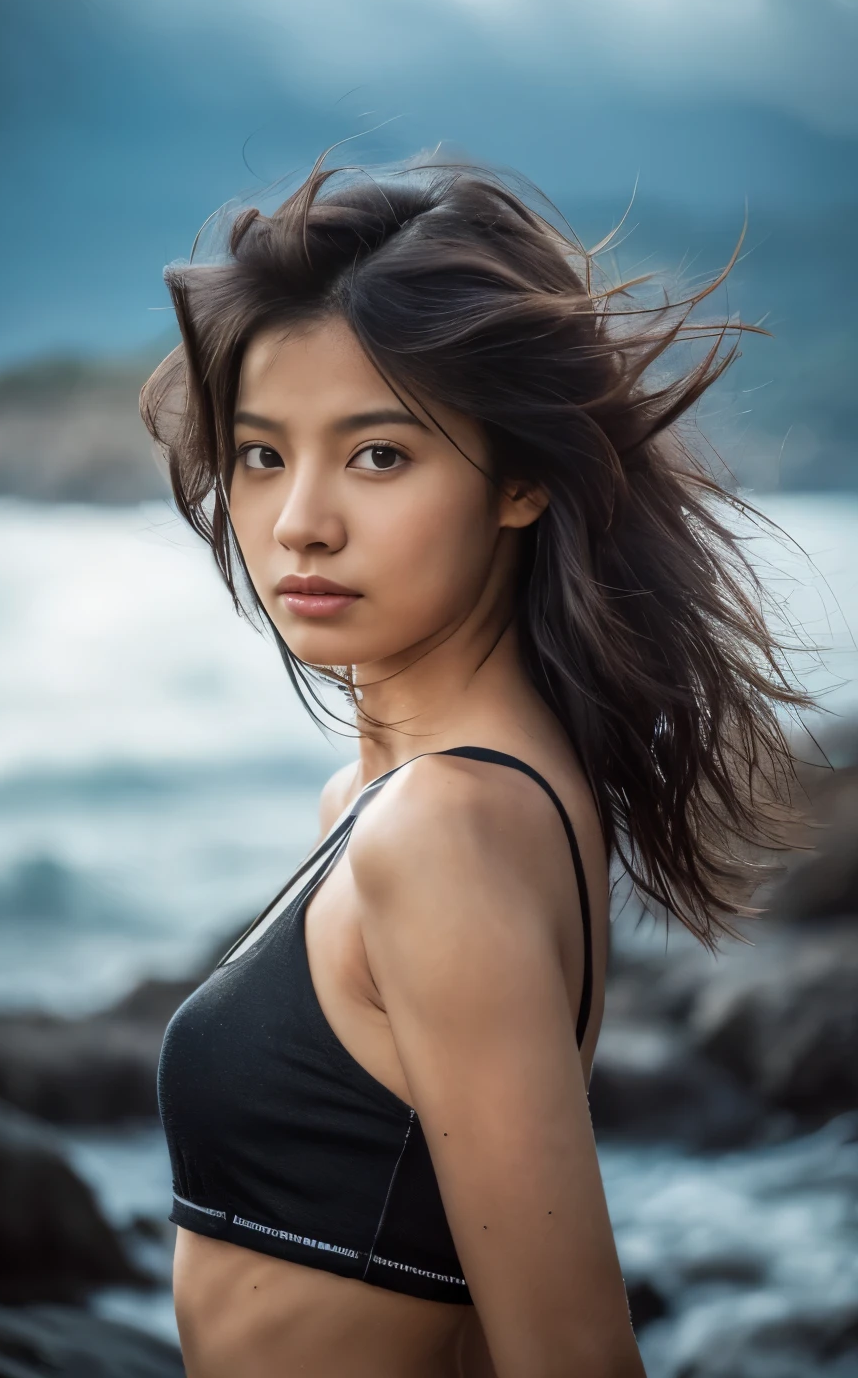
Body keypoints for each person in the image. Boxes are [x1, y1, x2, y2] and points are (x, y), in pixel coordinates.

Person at [142, 156, 806, 1378]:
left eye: (378, 455)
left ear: (521, 480)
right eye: (260, 455)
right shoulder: (432, 798)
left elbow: (571, 1354)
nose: (300, 522)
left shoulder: (441, 828)